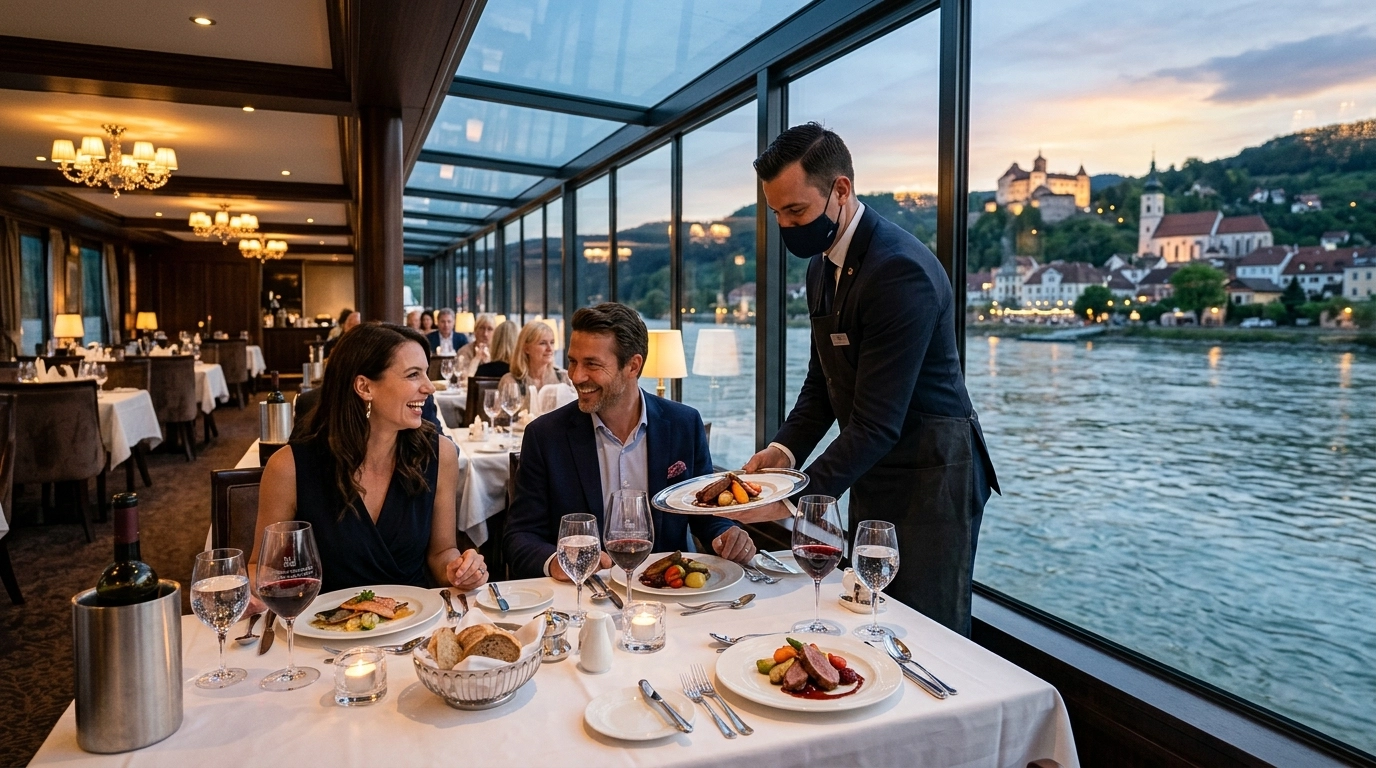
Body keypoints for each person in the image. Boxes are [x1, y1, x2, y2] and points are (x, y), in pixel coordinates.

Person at [726, 123, 998, 636]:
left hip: (932, 475)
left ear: (841, 190)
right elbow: (821, 383)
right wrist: (782, 454)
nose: (787, 226)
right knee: (867, 615)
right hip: (873, 465)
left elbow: (876, 423)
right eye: (777, 213)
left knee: (925, 631)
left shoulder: (900, 271)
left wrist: (786, 503)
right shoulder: (820, 266)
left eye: (797, 211)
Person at [504, 303, 756, 580]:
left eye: (592, 364)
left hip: (669, 590)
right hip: (586, 595)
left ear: (633, 365)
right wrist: (557, 562)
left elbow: (706, 514)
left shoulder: (684, 424)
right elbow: (520, 536)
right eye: (573, 361)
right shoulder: (545, 436)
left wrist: (726, 534)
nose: (576, 376)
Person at [252, 322, 487, 594]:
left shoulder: (439, 454)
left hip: (414, 624)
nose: (428, 387)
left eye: (425, 373)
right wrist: (251, 589)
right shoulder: (289, 467)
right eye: (413, 375)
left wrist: (458, 569)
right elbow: (262, 567)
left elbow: (441, 552)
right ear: (364, 387)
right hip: (323, 628)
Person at [499, 320, 565, 403]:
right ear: (526, 348)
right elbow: (503, 415)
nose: (550, 349)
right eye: (542, 343)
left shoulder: (564, 379)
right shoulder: (510, 382)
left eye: (552, 342)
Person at [455, 313, 496, 379]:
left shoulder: (497, 351)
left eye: (490, 329)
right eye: (482, 328)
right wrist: (477, 358)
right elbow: (463, 378)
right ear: (475, 330)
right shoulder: (464, 351)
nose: (485, 334)